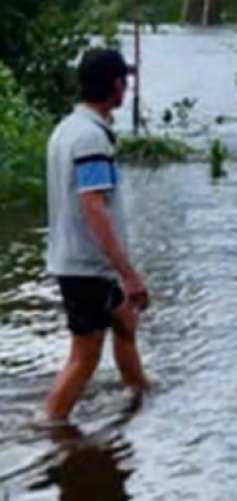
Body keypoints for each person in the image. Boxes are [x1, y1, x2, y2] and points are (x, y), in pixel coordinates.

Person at [42, 49, 149, 423]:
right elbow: (93, 206)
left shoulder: (67, 129)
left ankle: (140, 394)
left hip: (78, 260)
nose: (126, 89)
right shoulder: (91, 139)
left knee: (125, 320)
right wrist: (128, 272)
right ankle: (52, 425)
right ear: (115, 86)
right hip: (87, 265)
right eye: (124, 82)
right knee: (85, 356)